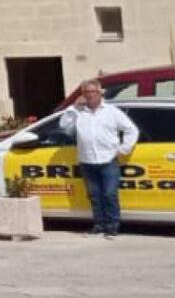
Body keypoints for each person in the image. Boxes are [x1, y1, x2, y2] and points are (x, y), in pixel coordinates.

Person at [58, 80, 139, 239]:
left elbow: (131, 130)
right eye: (86, 92)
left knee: (109, 194)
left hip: (108, 160)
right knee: (94, 195)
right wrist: (73, 107)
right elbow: (64, 125)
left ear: (99, 92)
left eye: (93, 92)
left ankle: (113, 225)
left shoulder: (111, 111)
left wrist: (123, 149)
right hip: (87, 160)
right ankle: (99, 225)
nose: (89, 95)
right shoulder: (78, 113)